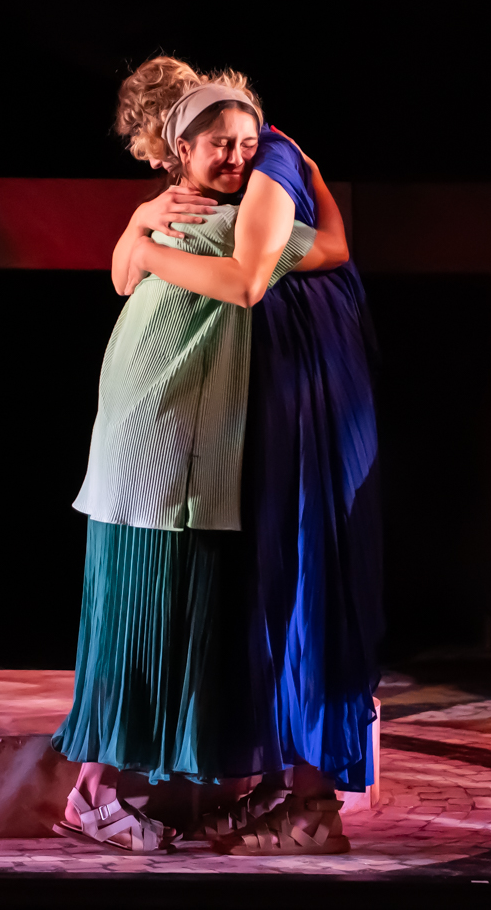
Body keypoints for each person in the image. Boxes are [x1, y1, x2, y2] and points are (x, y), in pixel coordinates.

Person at [51, 61, 343, 853]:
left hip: (145, 445)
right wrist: (311, 176)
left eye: (249, 143)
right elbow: (331, 249)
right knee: (143, 627)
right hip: (167, 451)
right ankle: (93, 795)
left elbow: (121, 274)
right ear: (179, 150)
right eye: (221, 143)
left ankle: (113, 791)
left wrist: (139, 232)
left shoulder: (178, 218)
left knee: (138, 621)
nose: (240, 157)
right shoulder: (218, 226)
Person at [119, 57, 383, 857]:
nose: (213, 160)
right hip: (273, 383)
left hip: (306, 388)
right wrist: (141, 223)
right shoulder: (231, 171)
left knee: (306, 572)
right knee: (271, 577)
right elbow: (329, 247)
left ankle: (313, 803)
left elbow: (247, 280)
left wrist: (150, 247)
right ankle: (283, 783)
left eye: (222, 138)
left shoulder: (270, 156)